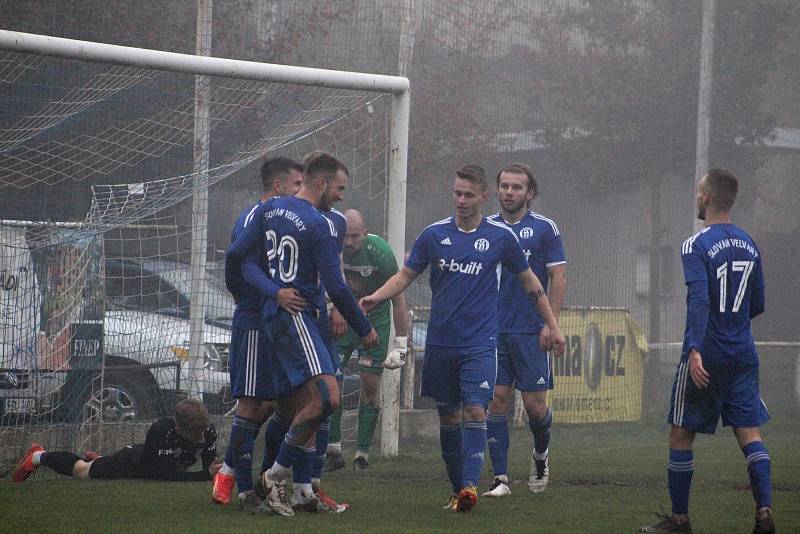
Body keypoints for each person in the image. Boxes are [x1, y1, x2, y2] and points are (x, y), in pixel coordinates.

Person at [360, 164, 565, 513]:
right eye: (457, 193)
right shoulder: (433, 235)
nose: (461, 200)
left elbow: (533, 283)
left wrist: (553, 325)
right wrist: (377, 296)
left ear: (482, 197)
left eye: (469, 194)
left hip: (482, 342)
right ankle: (459, 488)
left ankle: (476, 483)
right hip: (441, 343)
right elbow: (406, 275)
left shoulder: (502, 239)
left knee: (478, 408)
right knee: (449, 417)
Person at [225, 151, 378, 516]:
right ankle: (273, 476)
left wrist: (269, 290)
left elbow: (238, 256)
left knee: (302, 405)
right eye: (339, 188)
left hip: (278, 312)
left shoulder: (271, 209)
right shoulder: (320, 223)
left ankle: (301, 489)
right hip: (297, 316)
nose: (341, 196)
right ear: (321, 183)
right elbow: (337, 287)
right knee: (327, 397)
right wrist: (365, 329)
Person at [641, 169, 773, 534]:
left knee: (681, 434)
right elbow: (757, 303)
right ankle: (764, 515)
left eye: (699, 190)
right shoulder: (749, 244)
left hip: (706, 354)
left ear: (707, 198)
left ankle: (679, 521)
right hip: (743, 353)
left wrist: (696, 348)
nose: (696, 195)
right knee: (750, 434)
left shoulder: (695, 244)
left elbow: (698, 300)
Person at [212, 157, 306, 512]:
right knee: (251, 403)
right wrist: (265, 295)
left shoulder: (288, 220)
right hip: (254, 320)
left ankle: (262, 476)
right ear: (279, 186)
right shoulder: (254, 217)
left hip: (280, 321)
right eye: (297, 184)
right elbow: (239, 266)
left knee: (286, 401)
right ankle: (243, 488)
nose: (302, 190)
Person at [482, 163, 566, 498]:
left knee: (534, 407)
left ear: (530, 192)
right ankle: (500, 478)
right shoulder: (485, 227)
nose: (509, 192)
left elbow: (558, 278)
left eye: (517, 187)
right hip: (493, 332)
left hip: (532, 331)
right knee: (497, 401)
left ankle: (541, 456)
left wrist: (551, 323)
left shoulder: (545, 228)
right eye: (504, 186)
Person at [325, 208, 409, 472]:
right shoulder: (330, 246)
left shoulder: (380, 253)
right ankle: (333, 450)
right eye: (344, 237)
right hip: (341, 319)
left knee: (370, 384)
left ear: (365, 234)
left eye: (354, 237)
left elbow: (398, 298)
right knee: (330, 381)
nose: (348, 243)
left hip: (375, 320)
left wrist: (401, 343)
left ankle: (362, 454)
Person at [14, 398, 220, 482]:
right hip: (129, 464)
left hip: (150, 462)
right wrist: (204, 475)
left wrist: (215, 472)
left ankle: (100, 459)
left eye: (203, 431)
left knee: (95, 463)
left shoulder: (207, 430)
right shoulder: (160, 431)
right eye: (196, 433)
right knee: (81, 470)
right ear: (178, 428)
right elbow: (161, 475)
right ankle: (38, 456)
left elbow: (210, 467)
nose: (202, 437)